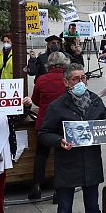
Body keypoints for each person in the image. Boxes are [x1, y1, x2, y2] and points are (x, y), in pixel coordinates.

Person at [38, 63, 106, 213]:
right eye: (75, 79)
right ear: (66, 82)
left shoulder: (95, 100)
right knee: (65, 207)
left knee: (93, 206)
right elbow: (43, 133)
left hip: (91, 162)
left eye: (83, 78)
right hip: (68, 164)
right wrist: (59, 141)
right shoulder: (57, 106)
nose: (80, 82)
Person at [29, 52, 71, 199]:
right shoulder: (67, 80)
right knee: (61, 157)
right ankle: (57, 190)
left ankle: (37, 186)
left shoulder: (41, 79)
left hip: (44, 122)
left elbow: (35, 100)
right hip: (63, 123)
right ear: (64, 63)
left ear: (49, 64)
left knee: (41, 155)